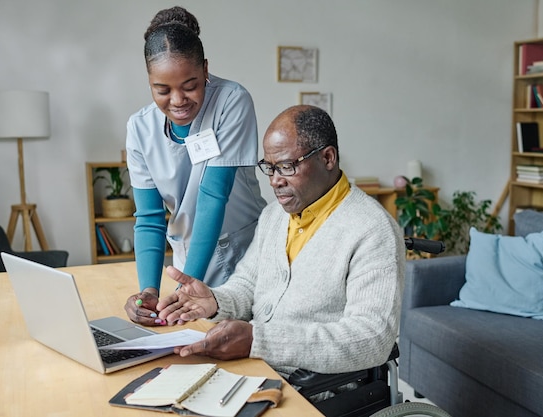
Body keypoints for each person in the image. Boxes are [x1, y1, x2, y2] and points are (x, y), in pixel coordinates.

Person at [156, 105, 405, 377]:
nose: (274, 181)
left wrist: (258, 341)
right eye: (269, 168)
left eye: (286, 167)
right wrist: (215, 300)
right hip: (257, 367)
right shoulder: (274, 215)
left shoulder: (372, 229)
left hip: (317, 388)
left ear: (328, 158)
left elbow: (372, 338)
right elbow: (248, 285)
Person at [123, 6, 266, 325]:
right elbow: (149, 218)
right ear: (150, 82)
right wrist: (148, 291)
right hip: (190, 256)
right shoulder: (140, 128)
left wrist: (189, 285)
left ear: (205, 69)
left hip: (244, 254)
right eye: (162, 90)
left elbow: (214, 195)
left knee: (241, 346)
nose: (177, 100)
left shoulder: (231, 101)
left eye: (190, 85)